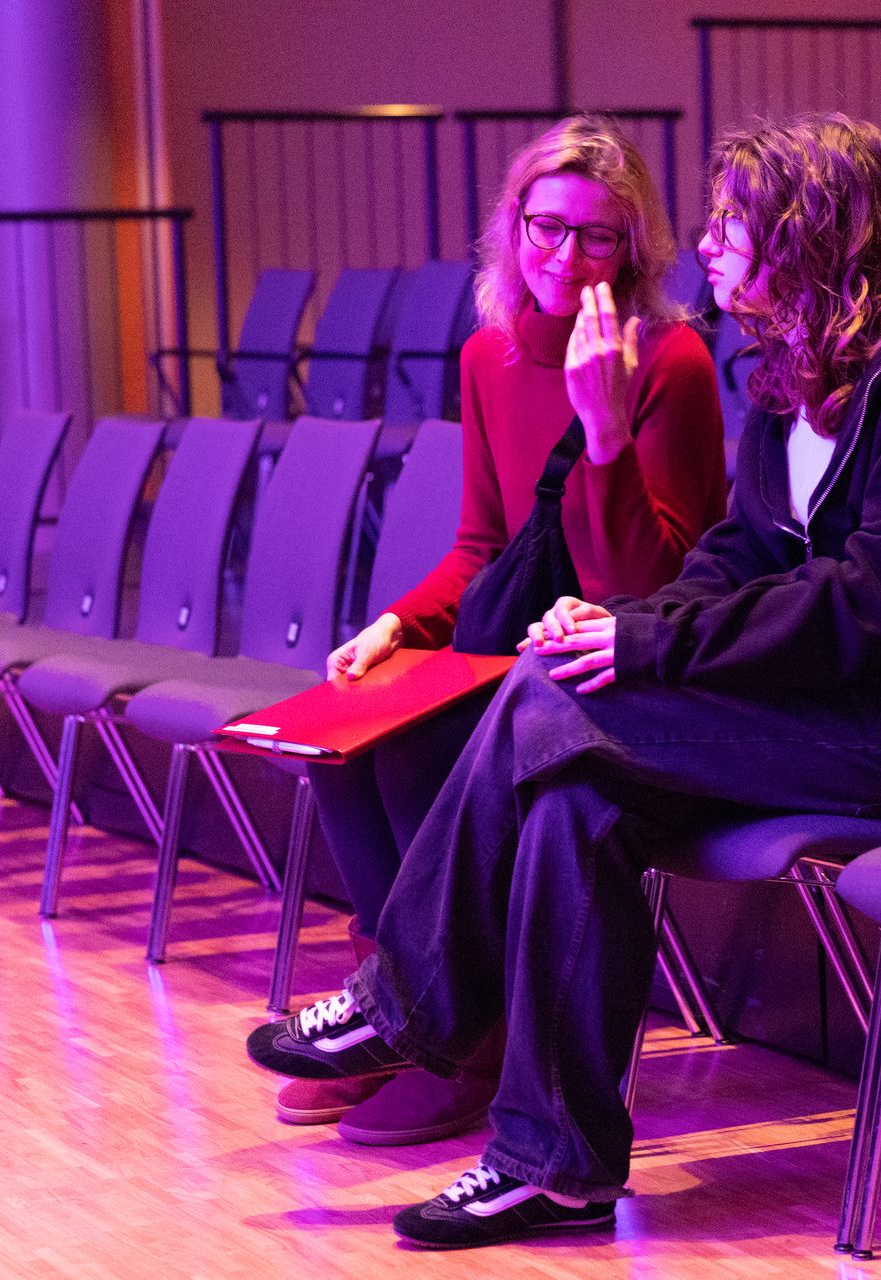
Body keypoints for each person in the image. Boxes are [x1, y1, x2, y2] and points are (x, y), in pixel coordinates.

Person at [249, 111, 881, 1248]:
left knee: (547, 695)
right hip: (819, 710)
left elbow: (872, 604)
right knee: (578, 793)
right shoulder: (791, 372)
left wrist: (640, 648)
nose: (709, 249)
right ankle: (554, 1165)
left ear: (805, 234)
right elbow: (738, 556)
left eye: (730, 226)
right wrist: (618, 619)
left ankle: (409, 999)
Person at [281, 115, 727, 1145]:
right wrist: (394, 623)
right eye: (547, 227)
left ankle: (463, 1045)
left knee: (419, 753)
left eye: (599, 236)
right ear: (512, 227)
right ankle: (398, 1012)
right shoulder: (489, 354)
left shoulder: (672, 360)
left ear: (636, 247)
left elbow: (658, 582)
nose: (567, 258)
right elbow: (485, 542)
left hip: (620, 651)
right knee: (346, 742)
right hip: (520, 635)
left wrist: (605, 426)